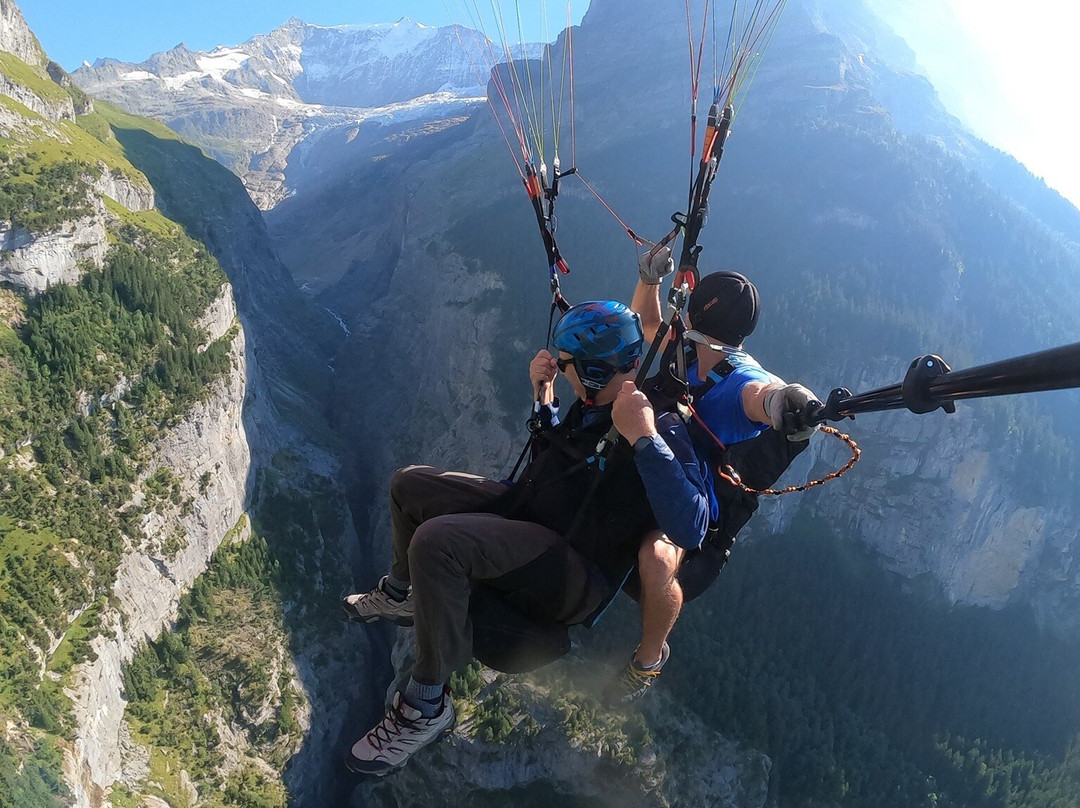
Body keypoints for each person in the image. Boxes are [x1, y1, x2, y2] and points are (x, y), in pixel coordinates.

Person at [340, 300, 711, 776]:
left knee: (437, 542)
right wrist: (545, 397)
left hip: (574, 571)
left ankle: (426, 704)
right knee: (409, 485)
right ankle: (399, 594)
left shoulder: (660, 424)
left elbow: (691, 527)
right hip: (532, 514)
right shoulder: (594, 403)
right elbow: (562, 454)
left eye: (566, 364)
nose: (559, 366)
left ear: (596, 371)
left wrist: (644, 437)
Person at [601, 248, 820, 705]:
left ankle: (648, 659)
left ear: (696, 310)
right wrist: (649, 280)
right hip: (658, 469)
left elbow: (760, 394)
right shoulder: (685, 348)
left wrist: (784, 400)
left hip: (699, 516)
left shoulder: (738, 379)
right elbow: (648, 327)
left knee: (657, 561)